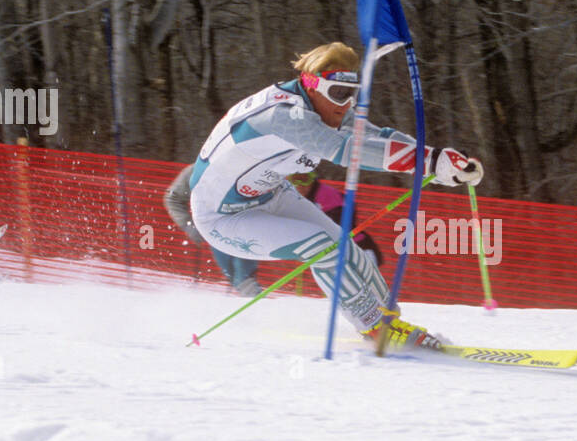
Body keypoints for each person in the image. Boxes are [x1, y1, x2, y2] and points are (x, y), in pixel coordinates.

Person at [185, 42, 482, 347]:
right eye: (338, 93)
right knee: (322, 247)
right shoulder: (283, 116)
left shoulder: (320, 105)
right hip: (222, 217)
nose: (345, 104)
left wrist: (437, 160)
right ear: (311, 85)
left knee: (346, 249)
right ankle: (375, 328)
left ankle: (389, 319)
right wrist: (427, 163)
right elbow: (346, 149)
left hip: (270, 194)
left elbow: (373, 134)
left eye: (352, 93)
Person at [164, 164, 262, 295]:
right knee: (235, 277)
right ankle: (253, 299)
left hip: (246, 227)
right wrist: (189, 225)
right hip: (216, 229)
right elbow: (173, 198)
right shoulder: (195, 171)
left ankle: (253, 297)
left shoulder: (245, 167)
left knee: (243, 277)